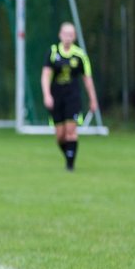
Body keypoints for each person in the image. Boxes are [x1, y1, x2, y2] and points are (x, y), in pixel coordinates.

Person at [41, 22, 99, 171]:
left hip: (72, 97)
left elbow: (87, 78)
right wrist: (47, 95)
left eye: (71, 34)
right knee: (60, 136)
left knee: (71, 132)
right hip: (56, 97)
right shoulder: (53, 52)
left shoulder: (80, 55)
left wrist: (93, 99)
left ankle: (70, 165)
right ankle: (69, 156)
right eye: (65, 34)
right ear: (60, 35)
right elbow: (46, 75)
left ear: (75, 37)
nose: (68, 37)